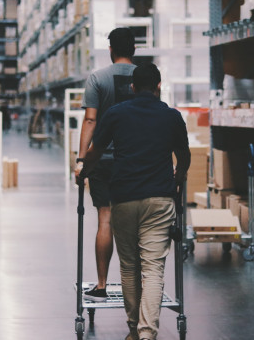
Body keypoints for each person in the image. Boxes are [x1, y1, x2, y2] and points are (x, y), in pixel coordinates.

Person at [78, 64, 191, 340]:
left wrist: (83, 171)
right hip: (160, 199)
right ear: (159, 86)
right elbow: (184, 155)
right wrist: (178, 176)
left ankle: (132, 329)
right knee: (153, 268)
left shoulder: (116, 114)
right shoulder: (172, 116)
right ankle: (146, 333)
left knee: (129, 267)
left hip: (124, 198)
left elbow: (95, 152)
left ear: (132, 88)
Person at [75, 27, 137, 301]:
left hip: (103, 160)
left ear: (110, 49)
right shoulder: (145, 77)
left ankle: (101, 286)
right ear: (133, 49)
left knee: (105, 219)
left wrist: (81, 159)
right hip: (135, 159)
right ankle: (134, 284)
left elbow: (90, 120)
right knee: (135, 220)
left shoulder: (98, 78)